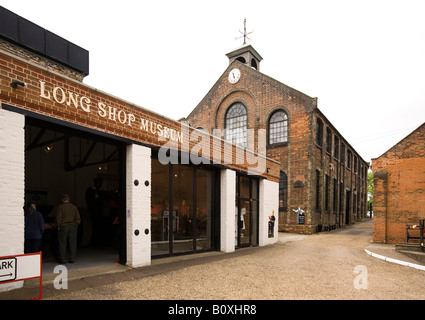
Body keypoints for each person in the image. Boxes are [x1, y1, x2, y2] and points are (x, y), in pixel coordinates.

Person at [54, 194, 81, 263]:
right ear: (69, 199)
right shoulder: (74, 207)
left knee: (62, 243)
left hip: (63, 226)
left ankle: (62, 259)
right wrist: (76, 225)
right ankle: (72, 259)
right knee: (73, 243)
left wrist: (58, 225)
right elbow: (78, 218)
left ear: (62, 200)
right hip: (72, 227)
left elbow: (58, 218)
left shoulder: (60, 207)